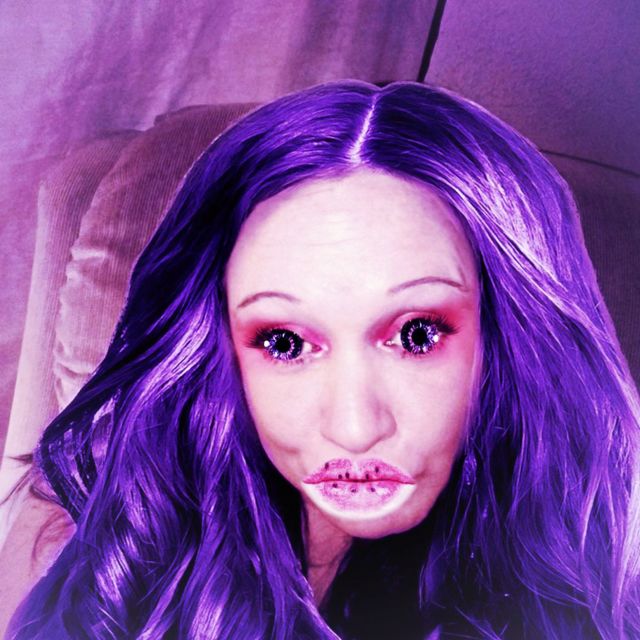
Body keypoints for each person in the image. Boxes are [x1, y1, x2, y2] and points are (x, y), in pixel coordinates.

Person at [4, 79, 640, 639]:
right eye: (285, 343)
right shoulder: (119, 543)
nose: (355, 428)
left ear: (509, 339)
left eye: (418, 335)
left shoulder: (596, 583)